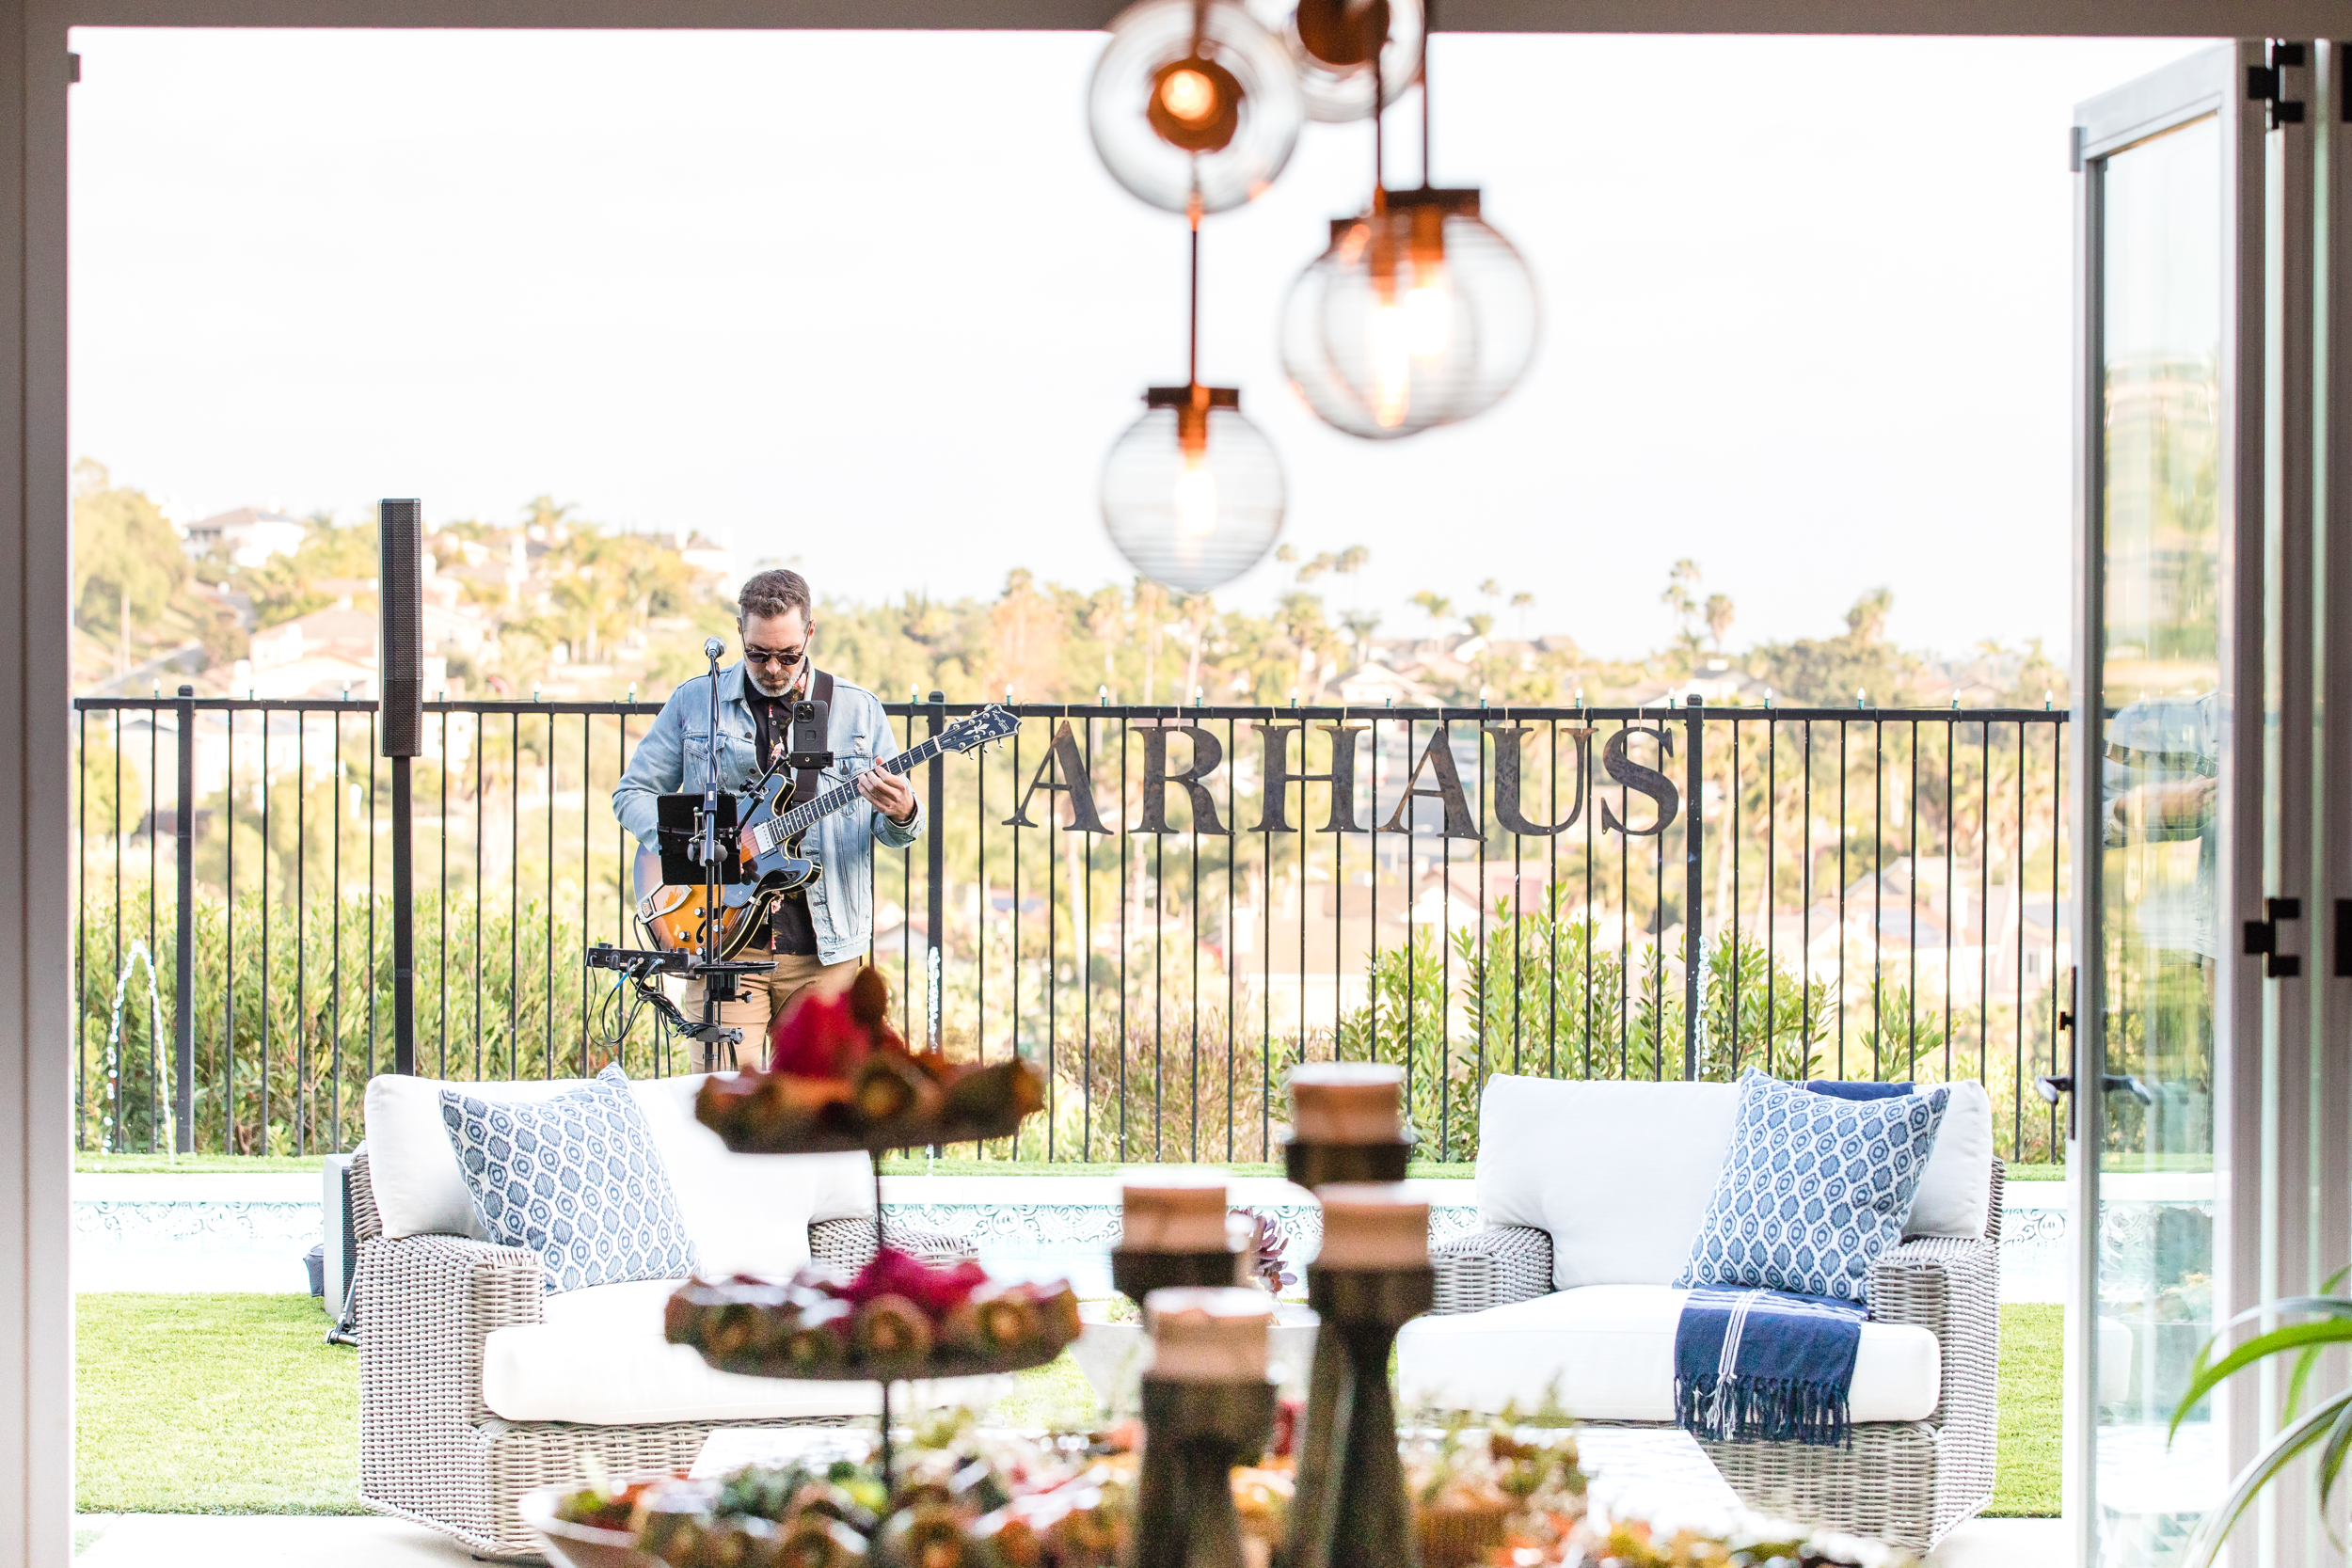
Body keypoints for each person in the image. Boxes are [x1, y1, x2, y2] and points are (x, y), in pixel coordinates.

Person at [612, 567, 921, 1067]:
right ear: (739, 633)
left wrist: (902, 811)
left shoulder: (859, 712)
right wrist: (702, 842)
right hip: (723, 945)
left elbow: (896, 830)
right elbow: (632, 794)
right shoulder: (696, 700)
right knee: (723, 1109)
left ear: (810, 634)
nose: (773, 668)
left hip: (826, 949)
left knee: (825, 1112)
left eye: (787, 654)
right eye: (758, 654)